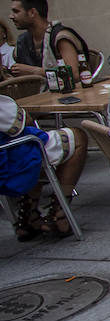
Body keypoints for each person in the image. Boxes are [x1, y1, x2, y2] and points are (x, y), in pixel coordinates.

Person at [1, 95, 87, 240]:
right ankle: (59, 216)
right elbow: (22, 119)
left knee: (37, 147)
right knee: (77, 137)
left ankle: (29, 215)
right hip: (9, 165)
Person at [9, 0, 92, 86]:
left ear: (32, 12)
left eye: (16, 11)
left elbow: (74, 75)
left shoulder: (60, 37)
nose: (11, 16)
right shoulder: (22, 41)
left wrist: (34, 71)